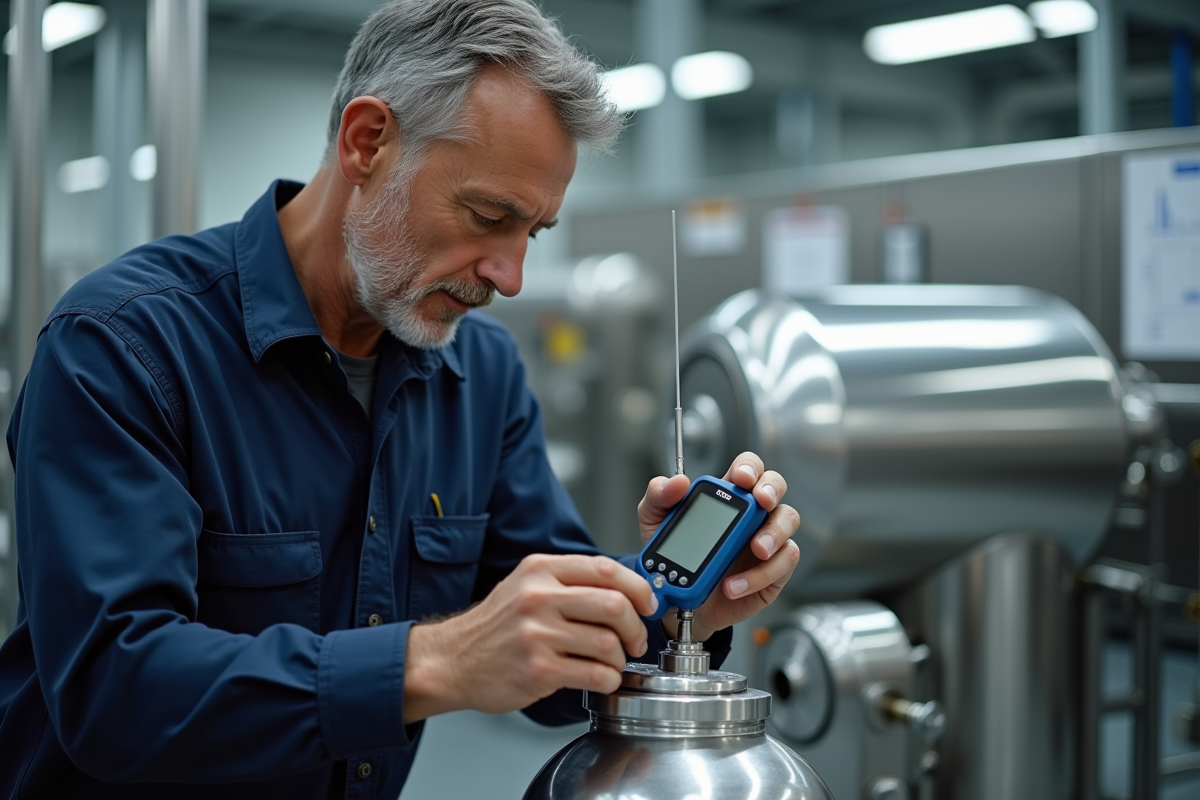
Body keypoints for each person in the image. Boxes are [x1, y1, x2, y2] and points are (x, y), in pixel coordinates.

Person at [0, 1, 801, 798]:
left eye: (535, 233)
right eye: (490, 216)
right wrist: (435, 662)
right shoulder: (122, 346)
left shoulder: (481, 373)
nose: (509, 275)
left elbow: (551, 674)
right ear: (367, 143)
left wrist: (669, 611)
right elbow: (112, 692)